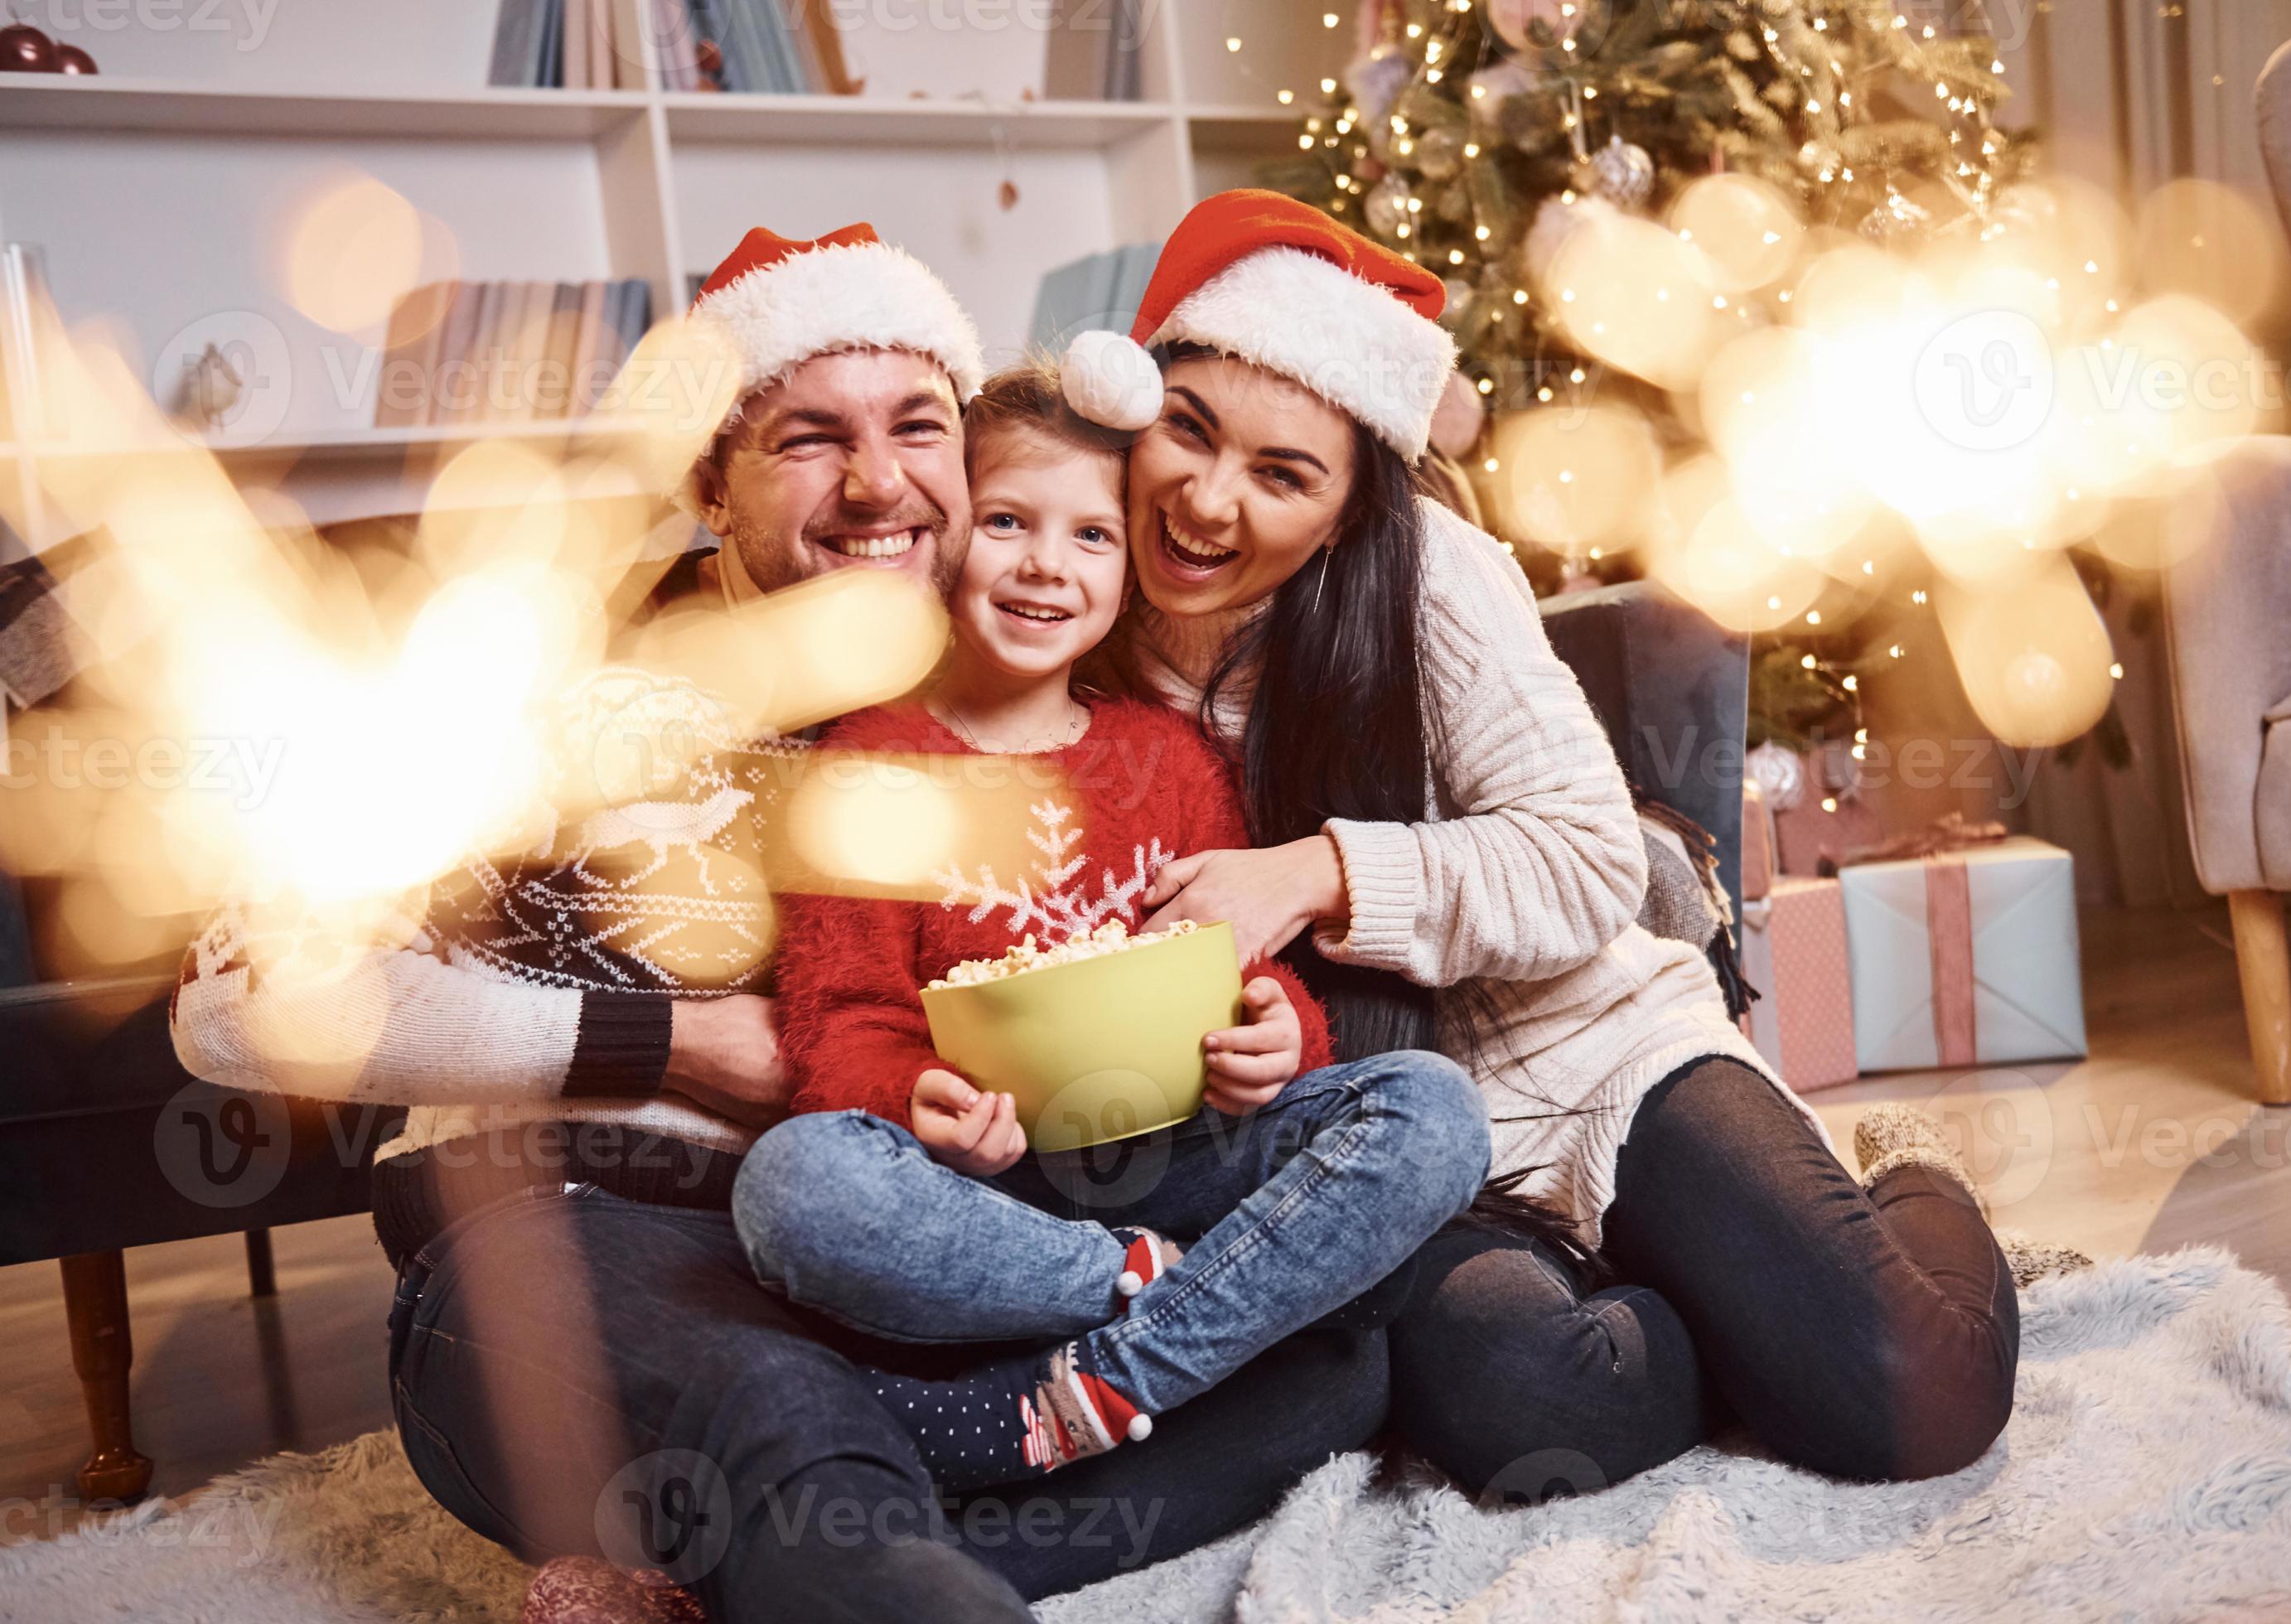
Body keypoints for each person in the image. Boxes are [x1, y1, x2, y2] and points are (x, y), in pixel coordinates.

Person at [169, 222, 1393, 1623]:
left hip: (909, 1257)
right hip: (577, 1229)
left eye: (918, 427)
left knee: (1328, 1369)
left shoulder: (993, 693)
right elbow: (235, 996)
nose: (878, 482)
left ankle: (774, 1574)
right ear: (709, 481)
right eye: (810, 438)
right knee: (784, 1412)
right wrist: (669, 1043)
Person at [1056, 190, 2031, 1498]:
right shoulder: (1066, 590)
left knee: (1920, 1398)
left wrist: (1317, 874)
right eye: (1188, 430)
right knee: (1527, 1415)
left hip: (1589, 1050)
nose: (1207, 501)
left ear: (1349, 508)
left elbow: (1586, 858)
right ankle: (1721, 1303)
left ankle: (1906, 1180)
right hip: (1384, 1150)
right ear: (1138, 400)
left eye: (1282, 475)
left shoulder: (1433, 576)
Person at [732, 362, 1488, 1491]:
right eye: (1005, 522)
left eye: (1092, 536)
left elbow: (1255, 979)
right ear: (947, 543)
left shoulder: (1168, 757)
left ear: (1129, 569)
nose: (1047, 563)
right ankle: (1218, 1290)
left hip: (1179, 1151)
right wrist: (916, 1101)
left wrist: (1272, 1039)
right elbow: (841, 1022)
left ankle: (1096, 1385)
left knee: (1433, 1111)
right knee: (791, 1186)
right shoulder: (865, 766)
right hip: (993, 1197)